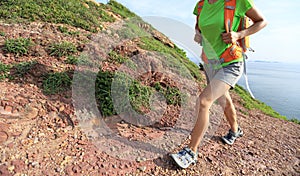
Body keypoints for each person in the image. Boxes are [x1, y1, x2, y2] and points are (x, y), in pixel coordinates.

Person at [171, 0, 267, 169]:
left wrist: (239, 35)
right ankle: (235, 130)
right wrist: (197, 33)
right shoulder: (201, 5)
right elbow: (198, 26)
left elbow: (262, 21)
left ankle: (191, 151)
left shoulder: (238, 2)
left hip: (231, 63)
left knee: (203, 101)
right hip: (211, 64)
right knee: (223, 99)